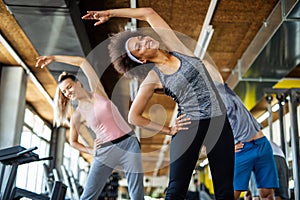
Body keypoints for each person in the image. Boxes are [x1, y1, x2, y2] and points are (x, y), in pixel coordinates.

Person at [82, 7, 234, 200]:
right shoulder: (153, 77)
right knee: (176, 191)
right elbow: (133, 116)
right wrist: (168, 129)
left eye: (139, 39)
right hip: (189, 125)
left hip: (218, 120)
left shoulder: (177, 48)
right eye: (139, 47)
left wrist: (110, 14)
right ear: (141, 59)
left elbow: (148, 13)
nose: (144, 41)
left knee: (225, 190)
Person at [35, 55, 145, 200]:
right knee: (88, 197)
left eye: (69, 87)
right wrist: (91, 150)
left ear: (78, 83)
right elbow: (73, 141)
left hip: (129, 143)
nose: (68, 92)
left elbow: (82, 62)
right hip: (105, 150)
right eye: (65, 92)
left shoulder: (97, 92)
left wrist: (54, 58)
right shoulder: (77, 115)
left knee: (137, 195)